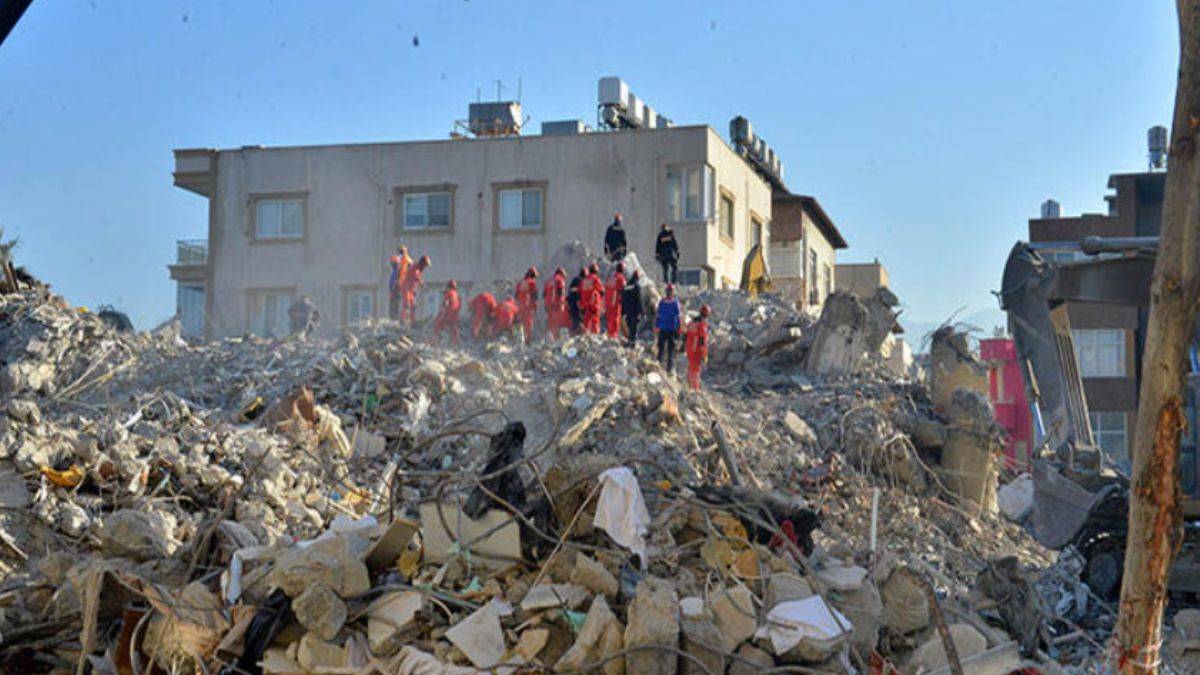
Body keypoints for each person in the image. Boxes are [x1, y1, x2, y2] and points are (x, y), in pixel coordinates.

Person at [654, 283, 682, 371]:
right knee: (670, 351)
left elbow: (658, 316)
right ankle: (668, 369)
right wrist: (679, 330)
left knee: (661, 349)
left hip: (663, 328)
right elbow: (678, 318)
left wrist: (657, 326)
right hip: (671, 329)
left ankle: (659, 365)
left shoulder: (662, 302)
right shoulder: (675, 303)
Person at [685, 304, 711, 390]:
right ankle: (695, 389)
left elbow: (686, 334)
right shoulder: (702, 325)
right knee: (696, 370)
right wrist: (704, 354)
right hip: (696, 350)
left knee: (690, 368)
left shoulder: (692, 322)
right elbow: (702, 341)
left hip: (689, 348)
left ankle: (689, 386)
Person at [399, 255, 429, 325]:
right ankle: (401, 320)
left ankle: (413, 322)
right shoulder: (415, 268)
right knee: (406, 305)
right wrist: (422, 284)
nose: (425, 267)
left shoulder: (418, 269)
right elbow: (417, 277)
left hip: (410, 290)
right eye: (425, 265)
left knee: (413, 306)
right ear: (422, 263)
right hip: (406, 288)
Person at [432, 280, 461, 347]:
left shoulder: (449, 293)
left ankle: (436, 343)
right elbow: (459, 304)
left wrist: (440, 313)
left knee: (437, 327)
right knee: (453, 328)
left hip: (448, 313)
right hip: (455, 314)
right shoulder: (456, 294)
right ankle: (455, 344)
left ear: (448, 287)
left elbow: (445, 303)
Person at [515, 267, 539, 345]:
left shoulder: (520, 283)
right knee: (528, 326)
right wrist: (535, 307)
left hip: (520, 307)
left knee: (520, 325)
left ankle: (517, 341)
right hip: (528, 307)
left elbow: (516, 296)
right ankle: (527, 342)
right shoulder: (532, 283)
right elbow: (534, 297)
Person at [544, 267, 568, 341]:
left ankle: (550, 339)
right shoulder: (560, 280)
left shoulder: (548, 281)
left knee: (551, 323)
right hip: (557, 305)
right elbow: (561, 294)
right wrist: (562, 305)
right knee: (559, 323)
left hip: (548, 306)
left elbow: (544, 294)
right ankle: (559, 340)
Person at [579, 262, 604, 334]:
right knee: (595, 320)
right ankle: (595, 335)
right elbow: (602, 290)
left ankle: (584, 334)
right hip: (594, 303)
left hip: (585, 303)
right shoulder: (595, 279)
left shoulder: (584, 280)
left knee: (586, 320)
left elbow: (580, 291)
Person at [388, 245, 412, 319]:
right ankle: (397, 318)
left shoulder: (404, 262)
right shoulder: (397, 270)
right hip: (396, 290)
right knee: (395, 306)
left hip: (397, 290)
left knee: (396, 306)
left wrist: (394, 290)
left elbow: (397, 281)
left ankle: (398, 319)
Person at [605, 262, 626, 339]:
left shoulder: (611, 278)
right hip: (615, 302)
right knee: (615, 319)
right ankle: (614, 336)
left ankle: (610, 335)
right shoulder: (621, 278)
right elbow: (623, 289)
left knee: (609, 319)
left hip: (608, 301)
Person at [622, 270, 643, 347]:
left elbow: (623, 299)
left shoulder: (627, 286)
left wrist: (623, 311)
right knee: (634, 329)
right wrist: (641, 311)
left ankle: (629, 342)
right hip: (634, 311)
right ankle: (632, 344)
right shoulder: (636, 286)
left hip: (627, 311)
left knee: (629, 327)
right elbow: (639, 300)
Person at [567, 267, 585, 333]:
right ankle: (578, 331)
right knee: (579, 318)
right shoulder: (581, 281)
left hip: (571, 302)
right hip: (577, 302)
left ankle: (574, 331)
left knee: (574, 318)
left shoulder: (575, 280)